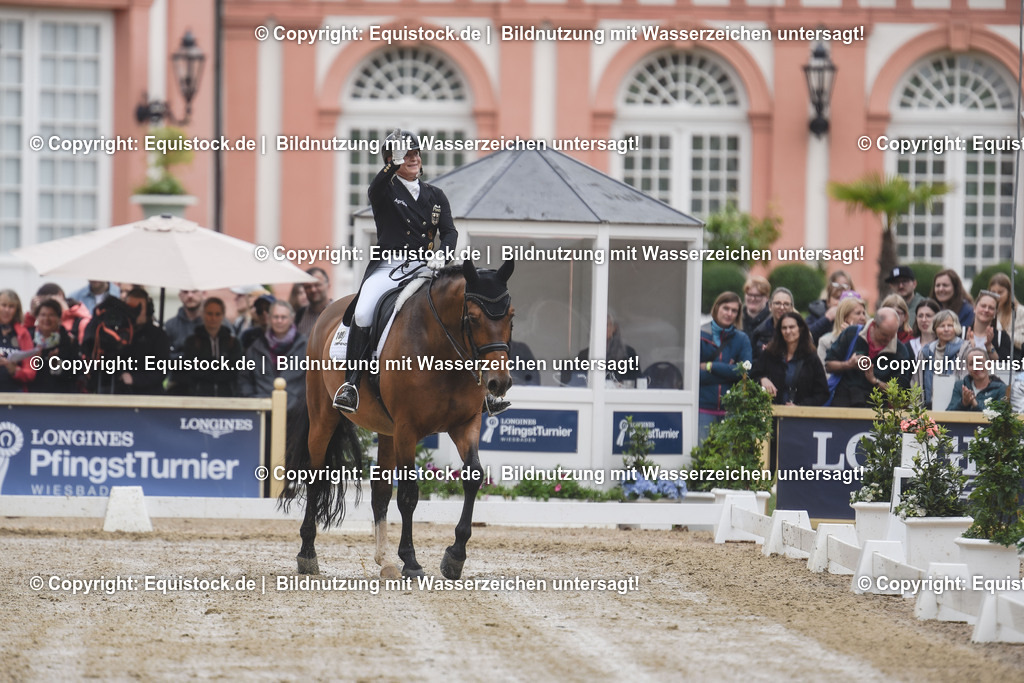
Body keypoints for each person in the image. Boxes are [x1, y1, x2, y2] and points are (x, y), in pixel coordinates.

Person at [333, 128, 459, 414]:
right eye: (406, 154)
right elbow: (374, 188)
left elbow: (449, 231)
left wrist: (443, 254)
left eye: (415, 153)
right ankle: (351, 384)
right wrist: (392, 163)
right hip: (390, 266)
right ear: (392, 160)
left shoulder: (435, 195)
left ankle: (477, 384)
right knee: (364, 311)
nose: (413, 158)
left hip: (425, 266)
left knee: (459, 304)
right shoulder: (385, 190)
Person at [824, 307, 911, 407]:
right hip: (844, 401)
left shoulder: (900, 351)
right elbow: (828, 365)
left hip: (876, 408)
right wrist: (848, 364)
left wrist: (875, 381)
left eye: (892, 335)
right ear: (874, 325)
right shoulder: (851, 333)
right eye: (884, 334)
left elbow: (900, 393)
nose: (889, 339)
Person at [699, 292, 752, 442]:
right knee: (701, 460)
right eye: (726, 308)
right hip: (703, 409)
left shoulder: (741, 339)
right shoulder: (700, 335)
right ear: (716, 308)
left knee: (729, 462)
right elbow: (694, 375)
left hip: (731, 411)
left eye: (734, 310)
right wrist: (728, 371)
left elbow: (744, 371)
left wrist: (711, 366)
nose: (729, 313)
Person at [240, 300, 308, 414]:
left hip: (297, 417)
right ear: (269, 318)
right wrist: (252, 400)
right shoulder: (255, 348)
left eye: (283, 317)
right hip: (262, 413)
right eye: (276, 317)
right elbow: (244, 378)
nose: (279, 321)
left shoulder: (305, 346)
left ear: (292, 318)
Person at [752, 312, 828, 406]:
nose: (787, 331)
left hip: (799, 416)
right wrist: (762, 379)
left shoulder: (811, 358)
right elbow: (753, 375)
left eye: (791, 327)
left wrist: (800, 406)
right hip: (771, 413)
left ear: (800, 329)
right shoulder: (770, 353)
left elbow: (822, 393)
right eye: (784, 328)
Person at [177, 298, 243, 397]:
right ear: (203, 314)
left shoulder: (232, 342)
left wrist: (206, 365)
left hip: (227, 396)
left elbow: (235, 371)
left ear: (223, 316)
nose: (213, 318)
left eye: (217, 314)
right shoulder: (192, 342)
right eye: (209, 313)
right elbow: (191, 370)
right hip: (199, 396)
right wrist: (220, 366)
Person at [565, 313, 641, 386]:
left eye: (606, 325)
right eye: (598, 326)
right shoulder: (584, 355)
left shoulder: (628, 353)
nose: (602, 329)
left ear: (614, 328)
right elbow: (576, 382)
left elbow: (636, 382)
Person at [119, 288, 171, 395]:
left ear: (147, 310)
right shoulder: (119, 334)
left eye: (139, 308)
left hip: (150, 396)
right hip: (121, 394)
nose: (134, 312)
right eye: (130, 307)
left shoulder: (158, 336)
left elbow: (161, 371)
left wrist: (134, 379)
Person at [913, 310, 964, 409]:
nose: (946, 329)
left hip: (956, 408)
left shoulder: (965, 350)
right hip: (928, 408)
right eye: (941, 326)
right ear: (935, 328)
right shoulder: (925, 352)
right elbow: (917, 382)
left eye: (950, 325)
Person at [26, 299, 80, 393]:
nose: (47, 319)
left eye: (51, 315)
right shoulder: (28, 338)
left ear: (59, 318)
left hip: (60, 396)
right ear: (37, 318)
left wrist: (58, 364)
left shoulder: (69, 340)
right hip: (32, 395)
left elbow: (76, 374)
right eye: (43, 315)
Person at [27, 283, 91, 345]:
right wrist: (32, 316)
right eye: (43, 314)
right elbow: (26, 336)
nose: (47, 317)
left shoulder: (80, 319)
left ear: (60, 295)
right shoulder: (42, 321)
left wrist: (65, 313)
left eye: (52, 314)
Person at [956, 289, 1010, 363]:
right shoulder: (960, 333)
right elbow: (952, 363)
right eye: (983, 306)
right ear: (974, 308)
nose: (986, 310)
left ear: (995, 313)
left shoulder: (1002, 337)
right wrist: (968, 347)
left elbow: (1004, 366)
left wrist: (989, 347)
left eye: (991, 308)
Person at [0, 290, 37, 392]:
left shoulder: (22, 333)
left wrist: (15, 371)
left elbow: (30, 372)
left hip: (15, 393)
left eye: (11, 307)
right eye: (3, 305)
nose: (7, 310)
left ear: (16, 310)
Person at [817, 296, 867, 369]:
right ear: (845, 317)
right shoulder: (825, 341)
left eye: (864, 313)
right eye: (858, 313)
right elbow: (823, 373)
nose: (863, 318)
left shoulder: (868, 340)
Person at [806, 271, 853, 343]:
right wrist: (827, 318)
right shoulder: (817, 311)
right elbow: (806, 336)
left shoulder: (856, 313)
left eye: (845, 285)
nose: (840, 302)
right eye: (837, 298)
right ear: (828, 300)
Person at [986, 273, 1024, 359]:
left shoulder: (1020, 311)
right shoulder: (988, 312)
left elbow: (1021, 339)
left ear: (1009, 292)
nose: (997, 296)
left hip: (1015, 357)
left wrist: (1001, 336)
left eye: (1000, 292)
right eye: (993, 292)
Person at [750, 287, 794, 360]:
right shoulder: (759, 333)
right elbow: (753, 363)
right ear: (770, 306)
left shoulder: (801, 333)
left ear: (792, 307)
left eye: (786, 304)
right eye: (778, 303)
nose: (782, 307)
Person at [164, 288, 205, 357]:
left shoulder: (218, 325)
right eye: (185, 292)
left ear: (204, 294)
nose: (190, 295)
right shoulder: (170, 325)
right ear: (180, 295)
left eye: (194, 291)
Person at [294, 267, 332, 338]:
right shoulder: (300, 315)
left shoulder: (339, 313)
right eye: (308, 286)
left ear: (328, 285)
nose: (313, 289)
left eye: (317, 285)